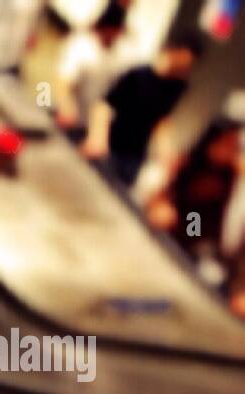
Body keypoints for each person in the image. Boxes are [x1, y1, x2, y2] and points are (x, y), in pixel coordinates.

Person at [146, 118, 245, 315]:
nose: (231, 149)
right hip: (182, 234)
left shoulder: (232, 176)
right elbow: (164, 195)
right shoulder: (189, 163)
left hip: (207, 247)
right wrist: (161, 205)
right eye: (227, 143)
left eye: (234, 146)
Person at [81, 35, 200, 186]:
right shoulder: (137, 74)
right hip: (111, 143)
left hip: (135, 155)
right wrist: (97, 138)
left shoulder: (177, 87)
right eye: (182, 60)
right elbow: (104, 106)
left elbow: (161, 121)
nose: (183, 68)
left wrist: (166, 153)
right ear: (171, 52)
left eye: (188, 65)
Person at [55, 1, 139, 133]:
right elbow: (64, 82)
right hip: (71, 119)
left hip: (96, 127)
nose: (112, 37)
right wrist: (67, 107)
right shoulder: (81, 45)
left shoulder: (123, 53)